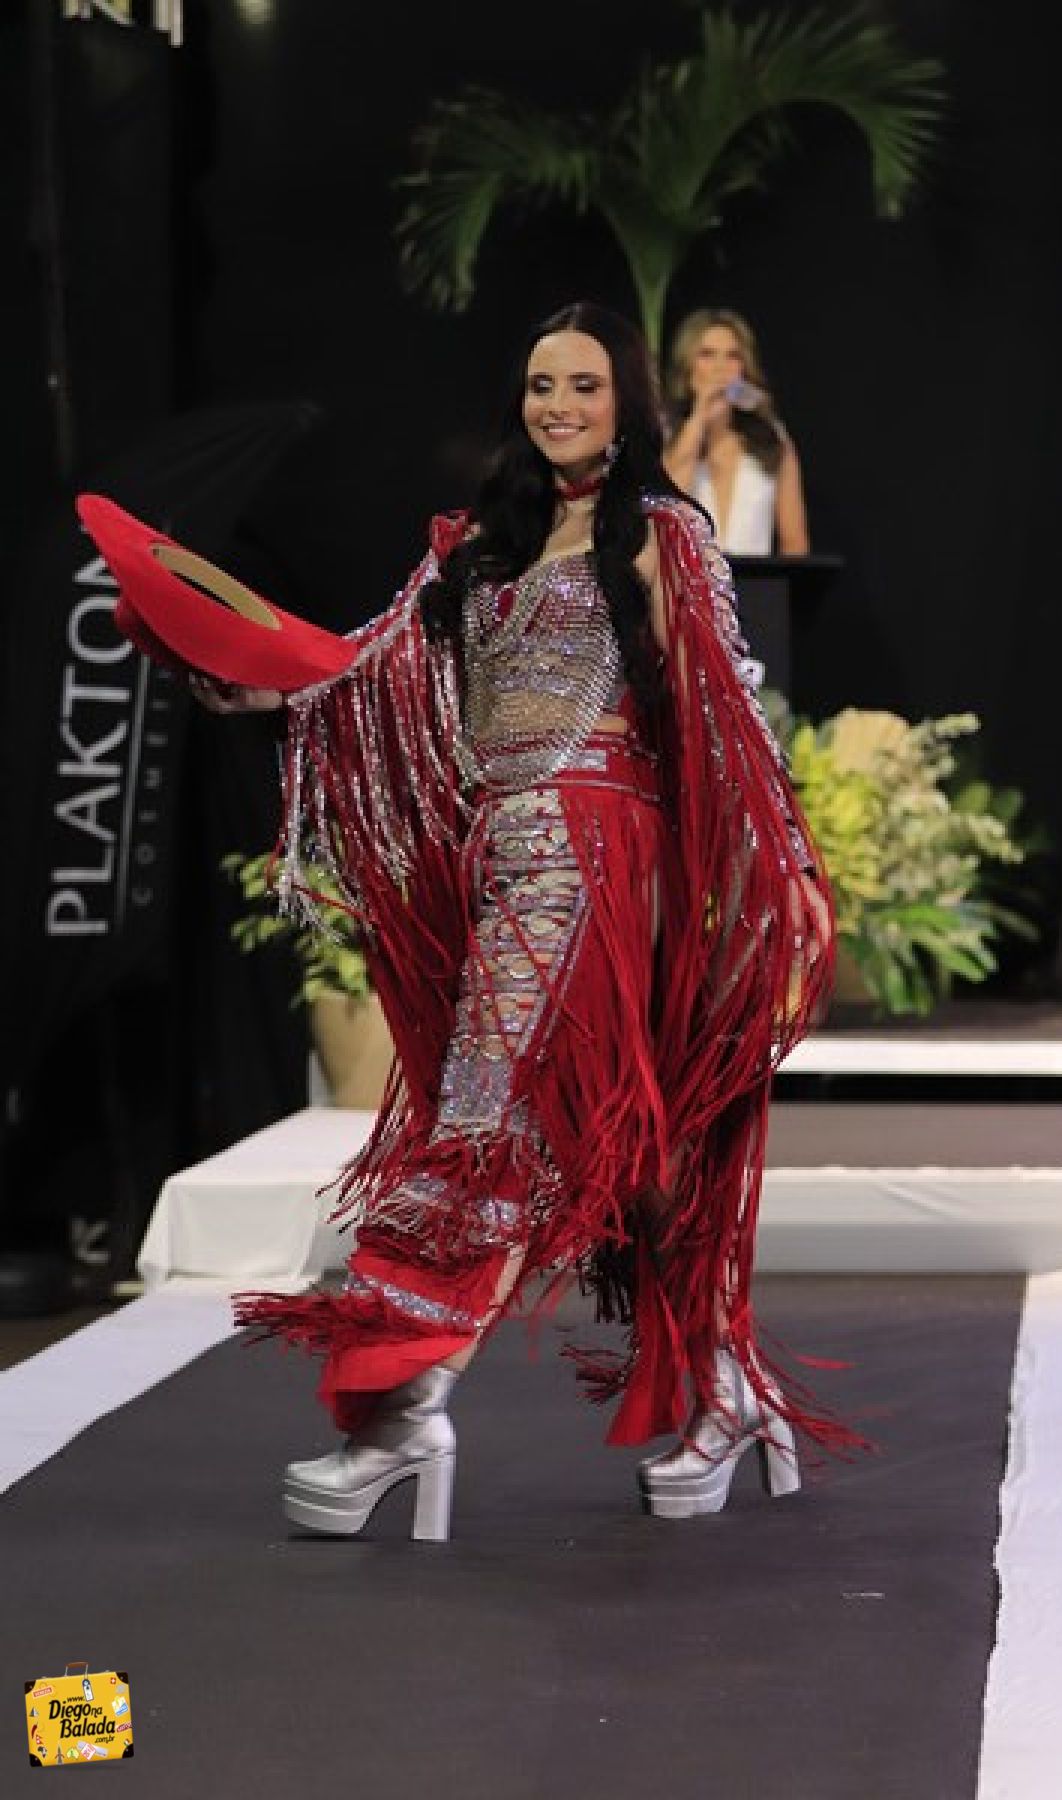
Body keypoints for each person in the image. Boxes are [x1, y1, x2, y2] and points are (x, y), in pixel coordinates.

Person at [194, 301, 861, 1542]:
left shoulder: (662, 533)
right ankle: (723, 1385)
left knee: (486, 1115)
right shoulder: (479, 545)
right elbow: (371, 665)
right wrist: (254, 691)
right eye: (542, 385)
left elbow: (722, 707)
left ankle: (405, 1408)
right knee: (632, 1145)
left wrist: (784, 873)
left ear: (628, 403)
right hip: (502, 856)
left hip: (598, 856)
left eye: (585, 386)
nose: (559, 406)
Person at [663, 308, 809, 556]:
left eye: (732, 356)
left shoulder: (771, 439)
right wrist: (699, 417)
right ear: (687, 369)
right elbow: (666, 513)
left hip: (755, 579)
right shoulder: (666, 436)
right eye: (707, 355)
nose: (721, 368)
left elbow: (795, 543)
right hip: (688, 579)